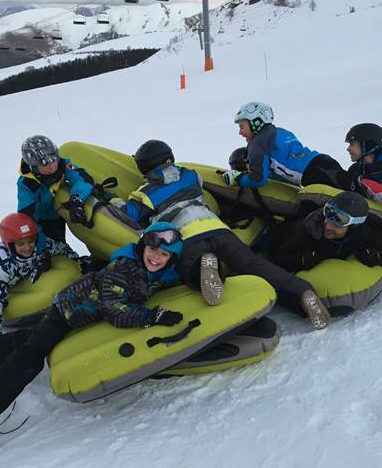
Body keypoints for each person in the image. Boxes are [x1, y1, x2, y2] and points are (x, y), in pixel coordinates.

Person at [0, 222, 185, 449]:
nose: (156, 257)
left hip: (82, 314)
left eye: (164, 255)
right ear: (143, 246)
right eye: (153, 249)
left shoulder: (155, 272)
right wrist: (150, 316)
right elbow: (114, 310)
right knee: (32, 356)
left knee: (38, 337)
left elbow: (173, 277)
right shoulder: (124, 268)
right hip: (68, 310)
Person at [115, 139, 330, 330]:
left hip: (186, 235)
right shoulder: (190, 175)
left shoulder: (146, 193)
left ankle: (205, 267)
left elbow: (129, 214)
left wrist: (113, 200)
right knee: (255, 265)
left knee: (187, 268)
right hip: (218, 229)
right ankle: (302, 292)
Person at [223, 102, 382, 248]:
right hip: (321, 163)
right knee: (360, 183)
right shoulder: (280, 133)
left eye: (242, 126)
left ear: (256, 122)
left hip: (316, 175)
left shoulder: (256, 147)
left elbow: (258, 179)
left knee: (363, 189)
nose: (240, 132)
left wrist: (236, 178)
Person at [267, 191, 382, 273]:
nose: (328, 225)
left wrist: (377, 256)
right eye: (328, 213)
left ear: (354, 225)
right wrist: (301, 260)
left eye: (339, 220)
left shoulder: (362, 234)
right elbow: (277, 257)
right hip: (275, 234)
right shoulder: (309, 230)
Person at [17, 135, 95, 244]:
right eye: (45, 163)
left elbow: (83, 179)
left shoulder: (63, 165)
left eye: (54, 159)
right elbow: (27, 216)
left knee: (62, 242)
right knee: (51, 246)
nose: (52, 166)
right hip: (42, 220)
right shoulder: (26, 184)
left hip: (60, 213)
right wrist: (39, 245)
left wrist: (77, 200)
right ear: (33, 165)